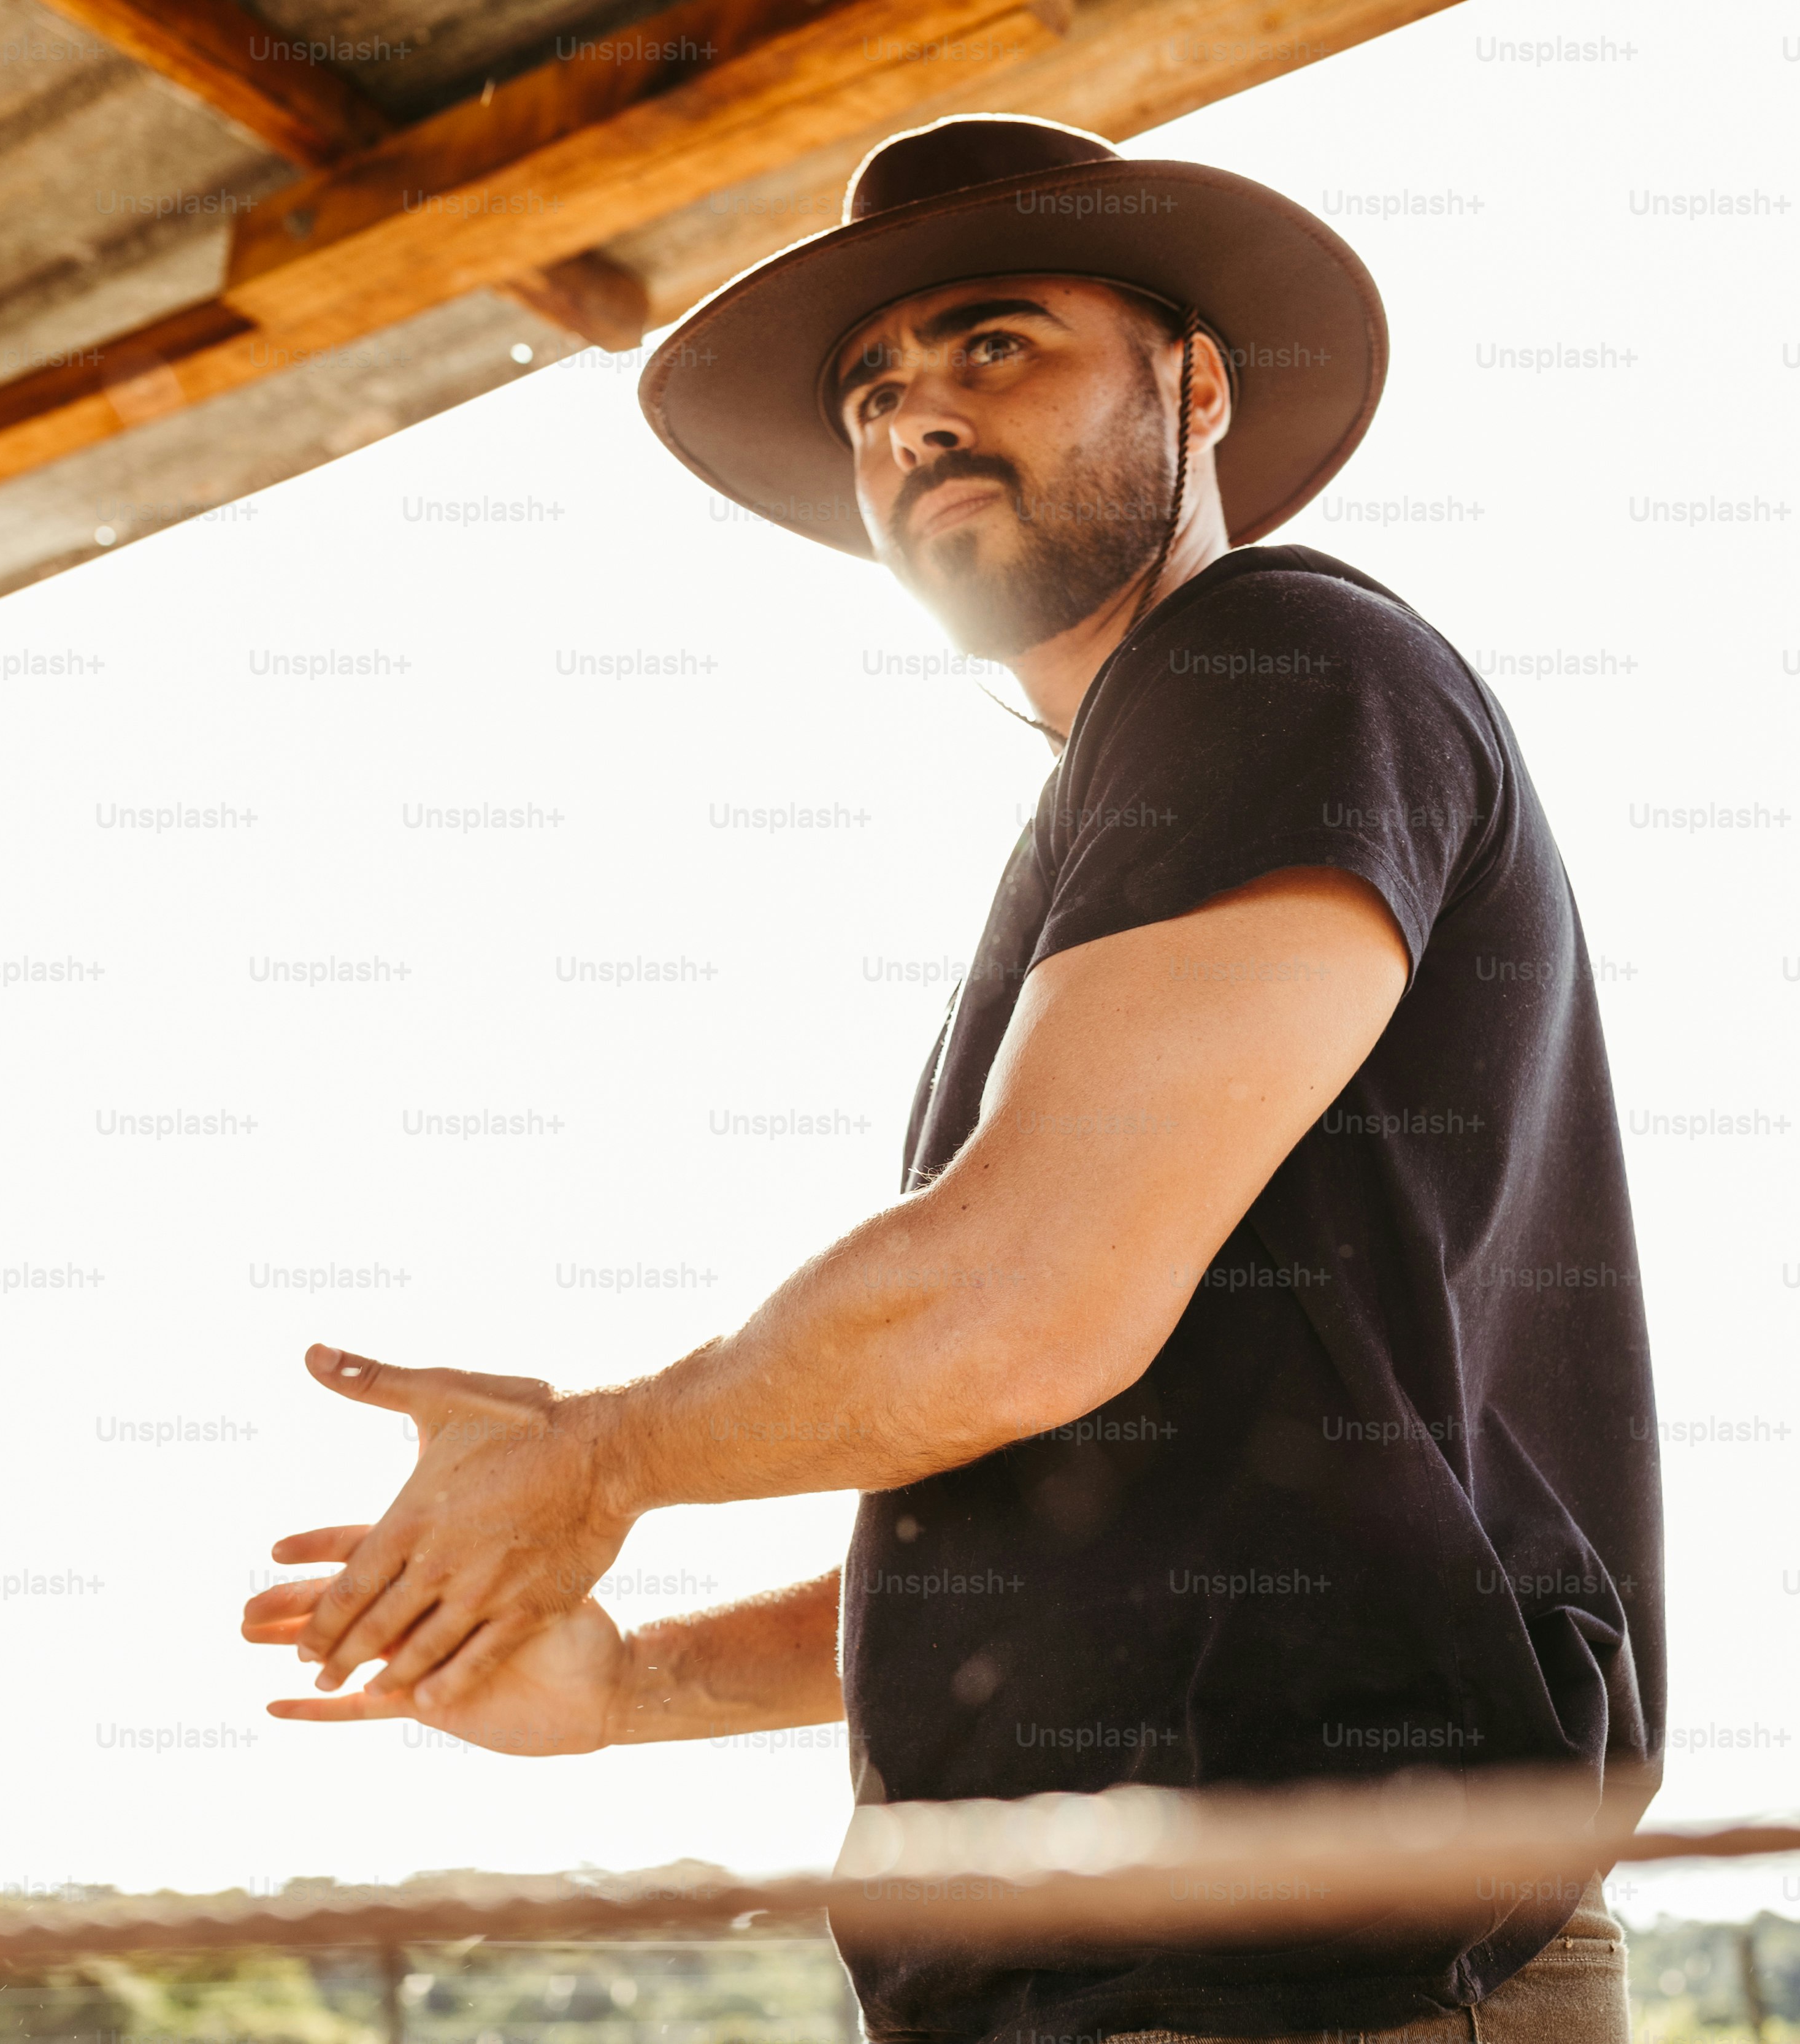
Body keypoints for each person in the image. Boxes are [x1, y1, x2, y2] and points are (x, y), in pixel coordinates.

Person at [239, 113, 1665, 2044]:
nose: (918, 416)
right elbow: (1075, 1516)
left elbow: (1018, 1305)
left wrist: (600, 1458)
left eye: (998, 342)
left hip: (1318, 1982)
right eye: (873, 391)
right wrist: (631, 1682)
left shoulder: (1278, 664)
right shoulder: (1132, 805)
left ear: (1200, 383)